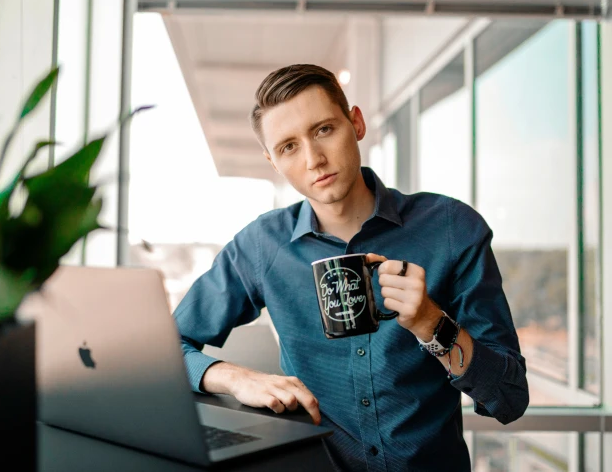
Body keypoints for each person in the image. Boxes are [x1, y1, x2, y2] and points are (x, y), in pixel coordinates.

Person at [173, 64, 528, 471]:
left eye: (324, 129)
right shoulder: (260, 245)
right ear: (273, 162)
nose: (314, 159)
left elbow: (509, 397)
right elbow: (166, 349)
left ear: (355, 123)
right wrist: (234, 378)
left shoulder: (450, 228)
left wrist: (431, 323)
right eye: (288, 147)